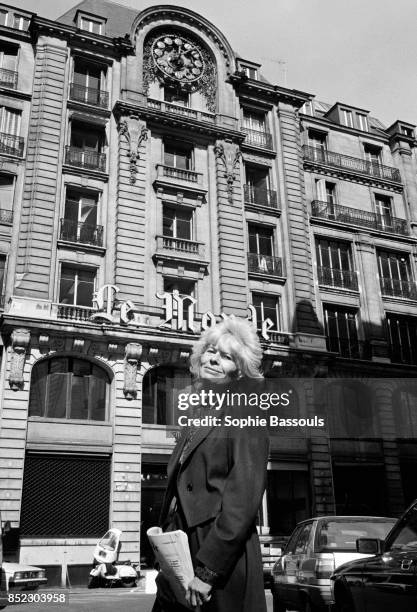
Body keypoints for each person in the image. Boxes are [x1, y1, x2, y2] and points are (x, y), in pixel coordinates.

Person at [152, 315, 269, 612]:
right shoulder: (197, 411)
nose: (215, 360)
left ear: (240, 372)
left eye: (227, 357)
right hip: (181, 549)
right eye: (211, 351)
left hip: (219, 555)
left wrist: (208, 571)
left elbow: (242, 501)